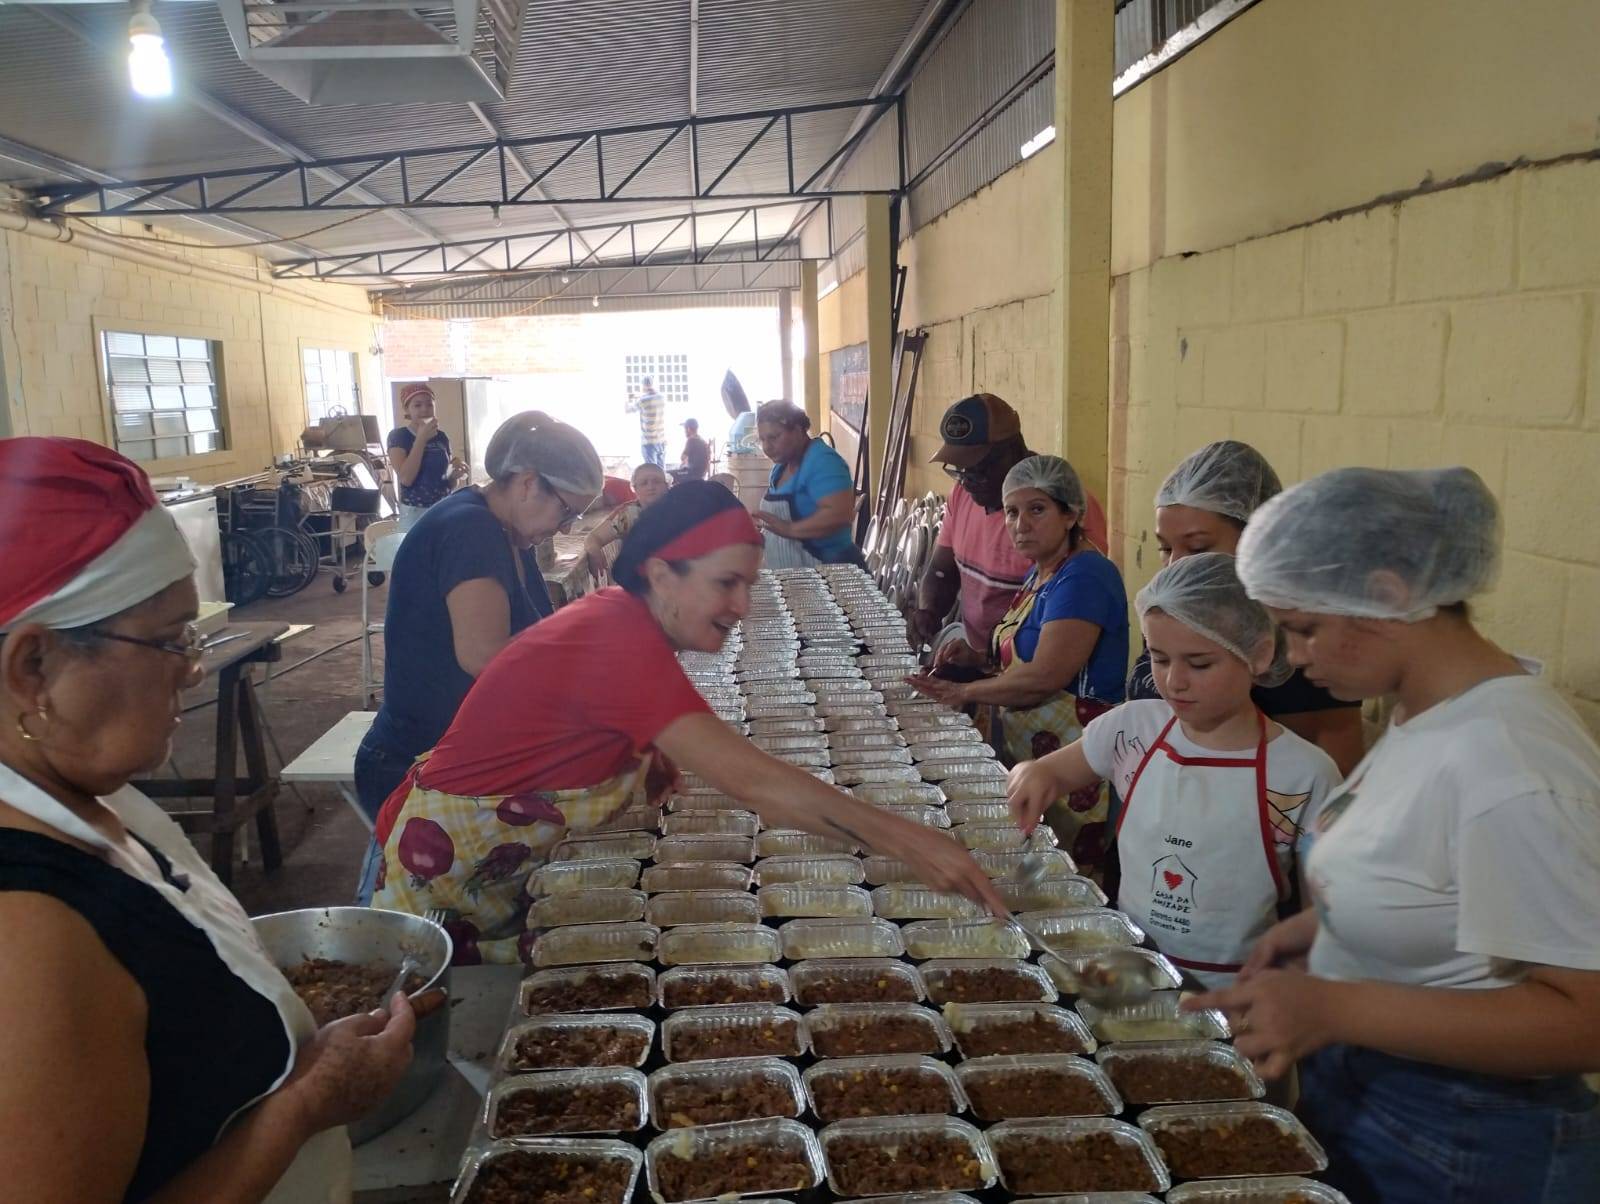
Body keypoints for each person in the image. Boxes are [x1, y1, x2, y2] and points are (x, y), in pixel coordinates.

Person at [0, 438, 435, 1203]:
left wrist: (303, 1057)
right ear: (33, 668)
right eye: (170, 640)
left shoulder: (82, 797)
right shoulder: (28, 932)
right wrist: (304, 1105)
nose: (194, 667)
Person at [1184, 466, 1600, 1204]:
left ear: (1385, 594)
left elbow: (1586, 1019)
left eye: (1305, 628)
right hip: (1382, 1092)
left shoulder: (1510, 760)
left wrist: (1337, 1007)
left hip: (1472, 1138)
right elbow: (1436, 875)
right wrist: (1323, 925)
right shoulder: (1425, 711)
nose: (1294, 657)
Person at [371, 482, 1006, 963]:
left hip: (493, 867)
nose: (741, 607)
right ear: (659, 571)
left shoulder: (622, 619)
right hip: (446, 874)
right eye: (726, 583)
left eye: (748, 585)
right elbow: (758, 785)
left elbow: (583, 721)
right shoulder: (618, 640)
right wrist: (913, 841)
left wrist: (643, 754)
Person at [1008, 553, 1341, 987]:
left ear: (1258, 654)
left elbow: (1326, 915)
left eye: (1199, 663)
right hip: (1128, 976)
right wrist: (1031, 776)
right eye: (1160, 659)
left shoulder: (1303, 773)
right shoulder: (1133, 728)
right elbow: (1047, 772)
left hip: (1235, 993)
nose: (1174, 682)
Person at [355, 412, 603, 832]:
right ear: (527, 484)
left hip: (462, 760)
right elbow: (485, 657)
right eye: (566, 514)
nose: (563, 529)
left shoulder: (509, 530)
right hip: (417, 767)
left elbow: (531, 638)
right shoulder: (471, 529)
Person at [908, 455, 1128, 868]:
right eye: (1012, 512)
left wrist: (965, 691)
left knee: (1066, 873)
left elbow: (1046, 675)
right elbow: (1025, 653)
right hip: (1037, 750)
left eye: (1037, 509)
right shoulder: (1044, 571)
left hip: (1075, 757)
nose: (1021, 524)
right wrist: (977, 659)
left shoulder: (1084, 576)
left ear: (1071, 514)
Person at [1128, 440, 1365, 774]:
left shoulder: (1303, 643)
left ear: (1259, 539)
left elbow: (1332, 778)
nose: (1176, 567)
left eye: (1198, 548)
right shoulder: (1171, 606)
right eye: (1165, 548)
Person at [910, 393, 1109, 659]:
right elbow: (941, 570)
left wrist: (986, 672)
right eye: (959, 470)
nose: (968, 480)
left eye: (978, 468)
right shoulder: (962, 495)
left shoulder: (1065, 505)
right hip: (988, 662)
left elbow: (1069, 613)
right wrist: (929, 611)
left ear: (1014, 452)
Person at [753, 400, 864, 568]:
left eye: (774, 437)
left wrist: (790, 530)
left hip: (829, 576)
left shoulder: (823, 461)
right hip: (795, 579)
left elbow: (840, 514)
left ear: (798, 430)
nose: (767, 447)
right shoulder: (780, 468)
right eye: (762, 440)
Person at [387, 383, 467, 528]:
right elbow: (406, 479)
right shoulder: (399, 436)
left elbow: (446, 481)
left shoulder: (441, 437)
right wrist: (421, 438)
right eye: (417, 405)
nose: (424, 409)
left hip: (443, 508)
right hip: (415, 513)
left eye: (429, 405)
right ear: (407, 409)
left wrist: (455, 475)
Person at [584, 462, 670, 581]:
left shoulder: (679, 508)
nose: (651, 487)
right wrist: (594, 552)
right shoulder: (629, 514)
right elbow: (593, 537)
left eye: (656, 481)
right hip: (642, 580)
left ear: (666, 486)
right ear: (635, 489)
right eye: (644, 483)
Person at [633, 377, 666, 468]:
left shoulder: (643, 400)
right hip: (661, 440)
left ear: (643, 385)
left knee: (652, 470)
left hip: (649, 441)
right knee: (661, 472)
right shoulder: (661, 397)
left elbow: (629, 409)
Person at [673, 418, 710, 483]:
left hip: (692, 475)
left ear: (689, 429)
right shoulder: (702, 440)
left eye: (685, 429)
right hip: (701, 475)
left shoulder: (691, 440)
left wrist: (683, 463)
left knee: (672, 475)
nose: (684, 431)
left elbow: (682, 457)